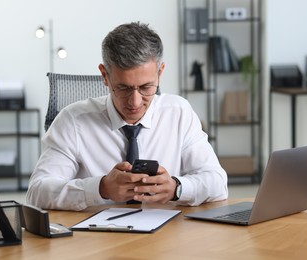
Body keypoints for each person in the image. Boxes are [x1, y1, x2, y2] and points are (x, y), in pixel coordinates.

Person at [26, 22, 228, 211]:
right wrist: (101, 188)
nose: (135, 102)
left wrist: (177, 187)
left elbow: (217, 183)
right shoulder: (73, 121)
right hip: (96, 241)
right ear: (105, 75)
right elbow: (37, 192)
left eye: (146, 87)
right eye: (123, 87)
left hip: (165, 238)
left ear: (160, 73)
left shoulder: (179, 113)